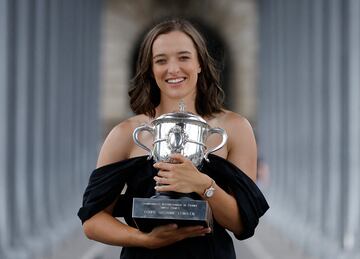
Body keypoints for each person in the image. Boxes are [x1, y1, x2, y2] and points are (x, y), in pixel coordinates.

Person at [78, 18, 269, 259]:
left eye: (184, 57)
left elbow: (243, 224)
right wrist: (145, 240)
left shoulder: (235, 128)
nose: (173, 69)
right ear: (150, 69)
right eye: (161, 60)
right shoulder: (125, 134)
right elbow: (92, 221)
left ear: (200, 63)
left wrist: (202, 185)